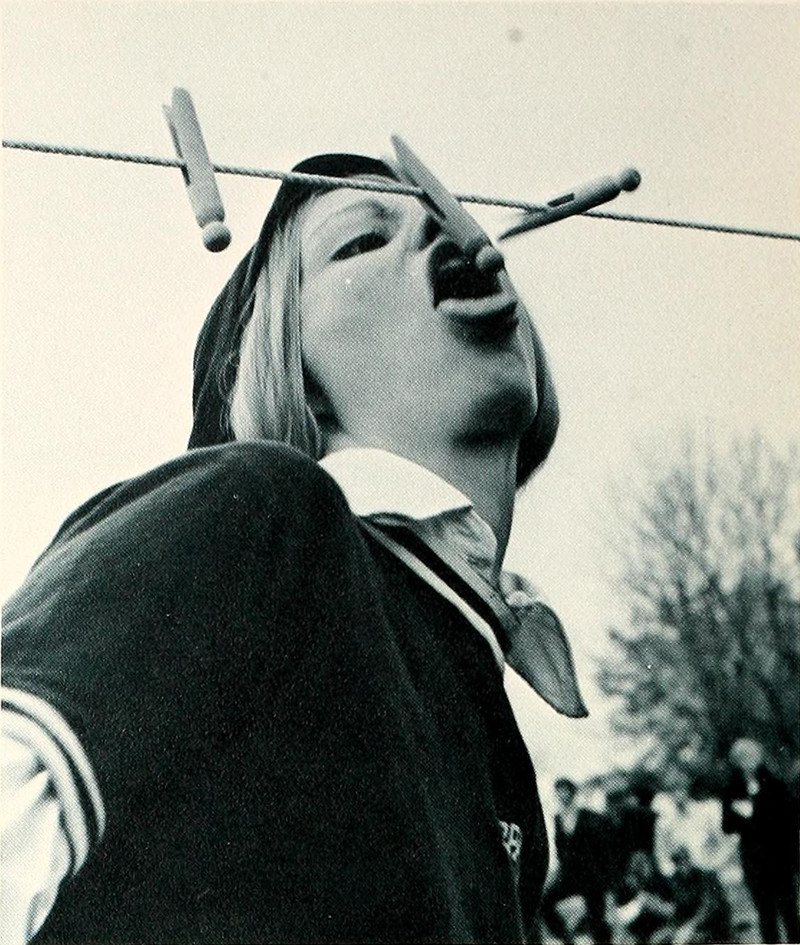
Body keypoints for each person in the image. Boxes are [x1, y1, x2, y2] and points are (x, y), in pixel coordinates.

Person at [1, 152, 586, 943]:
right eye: (362, 240)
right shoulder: (265, 515)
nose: (445, 231)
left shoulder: (484, 710)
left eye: (447, 212)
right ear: (295, 372)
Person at [721, 737, 800, 943]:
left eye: (752, 755)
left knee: (789, 912)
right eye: (742, 757)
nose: (748, 760)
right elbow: (727, 827)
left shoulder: (775, 785)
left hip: (780, 858)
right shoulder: (732, 791)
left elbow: (791, 819)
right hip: (755, 862)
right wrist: (742, 816)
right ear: (736, 762)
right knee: (766, 914)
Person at [540, 778, 615, 943]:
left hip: (591, 876)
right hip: (570, 876)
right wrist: (560, 871)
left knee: (597, 921)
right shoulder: (557, 818)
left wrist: (606, 878)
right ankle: (567, 939)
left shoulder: (589, 816)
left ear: (572, 793)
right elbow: (560, 847)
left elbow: (603, 848)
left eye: (565, 792)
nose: (562, 796)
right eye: (559, 793)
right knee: (545, 902)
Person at [664, 847, 731, 945]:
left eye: (684, 860)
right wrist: (674, 927)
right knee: (661, 937)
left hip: (713, 926)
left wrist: (690, 927)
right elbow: (679, 907)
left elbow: (708, 906)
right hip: (692, 926)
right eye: (677, 862)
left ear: (689, 860)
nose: (681, 865)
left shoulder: (705, 876)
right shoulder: (676, 881)